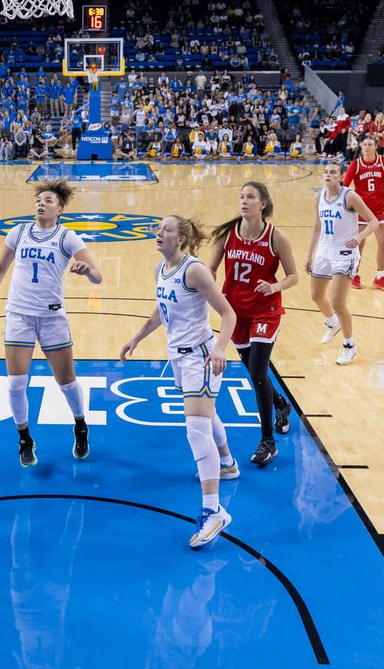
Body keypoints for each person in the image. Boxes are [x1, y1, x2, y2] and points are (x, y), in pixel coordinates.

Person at [120, 215, 238, 548]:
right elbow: (161, 309)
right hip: (178, 357)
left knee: (196, 429)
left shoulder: (194, 270)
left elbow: (228, 313)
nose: (159, 233)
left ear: (182, 238)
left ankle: (213, 511)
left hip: (200, 356)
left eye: (167, 229)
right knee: (206, 413)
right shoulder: (161, 269)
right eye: (159, 228)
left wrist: (220, 347)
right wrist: (137, 338)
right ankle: (227, 463)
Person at [0, 179, 103, 468]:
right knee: (16, 385)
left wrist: (87, 272)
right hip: (19, 315)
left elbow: (98, 275)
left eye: (48, 201)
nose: (41, 203)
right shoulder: (18, 232)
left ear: (59, 210)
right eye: (39, 200)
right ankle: (24, 439)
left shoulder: (67, 237)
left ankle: (80, 424)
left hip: (52, 318)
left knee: (66, 383)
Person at [208, 181, 299, 466]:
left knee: (259, 371)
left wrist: (274, 287)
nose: (244, 201)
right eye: (242, 197)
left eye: (250, 197)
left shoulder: (276, 237)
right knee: (253, 372)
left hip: (265, 311)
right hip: (236, 314)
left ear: (263, 204)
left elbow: (293, 276)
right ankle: (281, 404)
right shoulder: (227, 235)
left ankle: (267, 442)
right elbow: (210, 269)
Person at [306, 163, 380, 366]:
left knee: (338, 302)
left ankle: (349, 346)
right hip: (323, 252)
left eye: (333, 172)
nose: (328, 175)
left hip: (345, 254)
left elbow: (373, 221)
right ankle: (332, 322)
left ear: (341, 177)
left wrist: (360, 236)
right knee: (316, 296)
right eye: (326, 172)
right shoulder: (318, 197)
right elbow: (316, 227)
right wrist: (309, 254)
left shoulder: (350, 196)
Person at [343, 135, 384, 291]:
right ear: (361, 146)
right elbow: (345, 186)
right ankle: (355, 274)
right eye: (364, 144)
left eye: (370, 144)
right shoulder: (355, 165)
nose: (367, 147)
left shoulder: (383, 162)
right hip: (362, 211)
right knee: (359, 244)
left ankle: (380, 277)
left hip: (380, 209)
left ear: (376, 146)